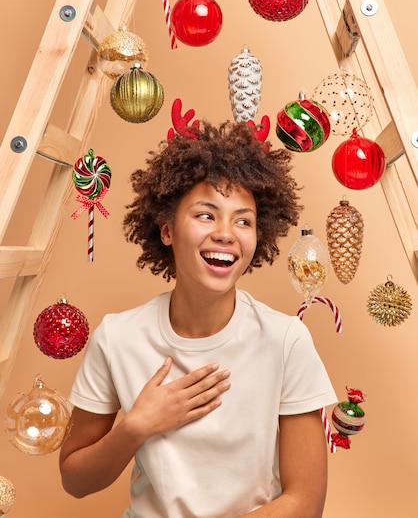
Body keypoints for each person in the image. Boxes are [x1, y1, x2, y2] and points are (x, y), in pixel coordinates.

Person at [59, 115, 337, 518]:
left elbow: (305, 502)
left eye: (244, 220)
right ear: (167, 229)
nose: (226, 232)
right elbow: (75, 480)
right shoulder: (116, 337)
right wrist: (137, 427)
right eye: (206, 214)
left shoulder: (286, 340)